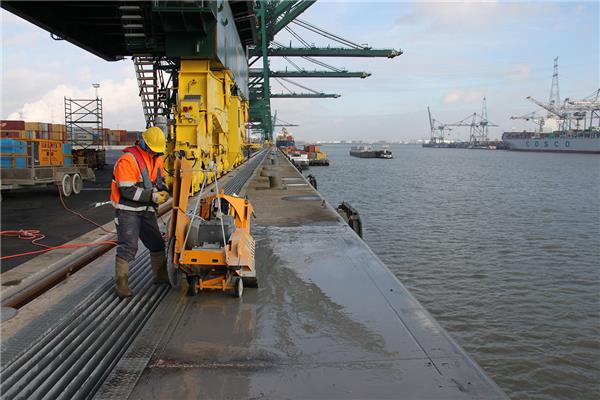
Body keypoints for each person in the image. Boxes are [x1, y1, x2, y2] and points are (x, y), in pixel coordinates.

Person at [110, 127, 170, 298]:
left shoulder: (157, 158)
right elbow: (127, 190)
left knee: (157, 243)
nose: (155, 153)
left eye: (158, 151)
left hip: (146, 210)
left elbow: (160, 180)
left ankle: (160, 275)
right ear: (144, 143)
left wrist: (164, 190)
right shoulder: (128, 160)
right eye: (153, 150)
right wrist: (152, 196)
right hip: (128, 211)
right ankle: (121, 284)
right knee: (128, 246)